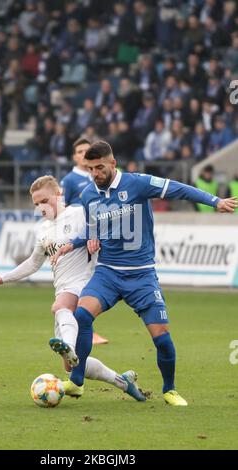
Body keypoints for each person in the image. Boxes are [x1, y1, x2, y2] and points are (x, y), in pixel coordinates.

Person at [51, 140, 238, 406]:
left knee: (162, 338)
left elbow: (177, 189)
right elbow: (93, 227)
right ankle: (77, 382)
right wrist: (81, 241)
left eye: (100, 167)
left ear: (113, 163)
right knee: (81, 315)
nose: (95, 173)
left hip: (141, 276)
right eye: (91, 168)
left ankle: (169, 389)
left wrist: (214, 200)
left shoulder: (137, 183)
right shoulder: (88, 194)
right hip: (108, 273)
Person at [0, 175, 145, 402]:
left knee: (59, 307)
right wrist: (1, 279)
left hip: (85, 282)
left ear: (58, 195)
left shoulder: (79, 213)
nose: (41, 207)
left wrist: (95, 238)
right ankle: (122, 381)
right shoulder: (43, 230)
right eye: (36, 204)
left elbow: (104, 228)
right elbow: (33, 263)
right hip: (62, 286)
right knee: (71, 367)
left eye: (44, 200)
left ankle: (69, 346)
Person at [61, 138, 109, 345]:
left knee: (93, 281)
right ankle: (82, 330)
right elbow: (62, 209)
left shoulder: (99, 175)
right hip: (81, 237)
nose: (82, 154)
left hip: (99, 234)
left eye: (85, 151)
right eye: (79, 151)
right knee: (83, 283)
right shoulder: (70, 180)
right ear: (74, 156)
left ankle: (82, 328)